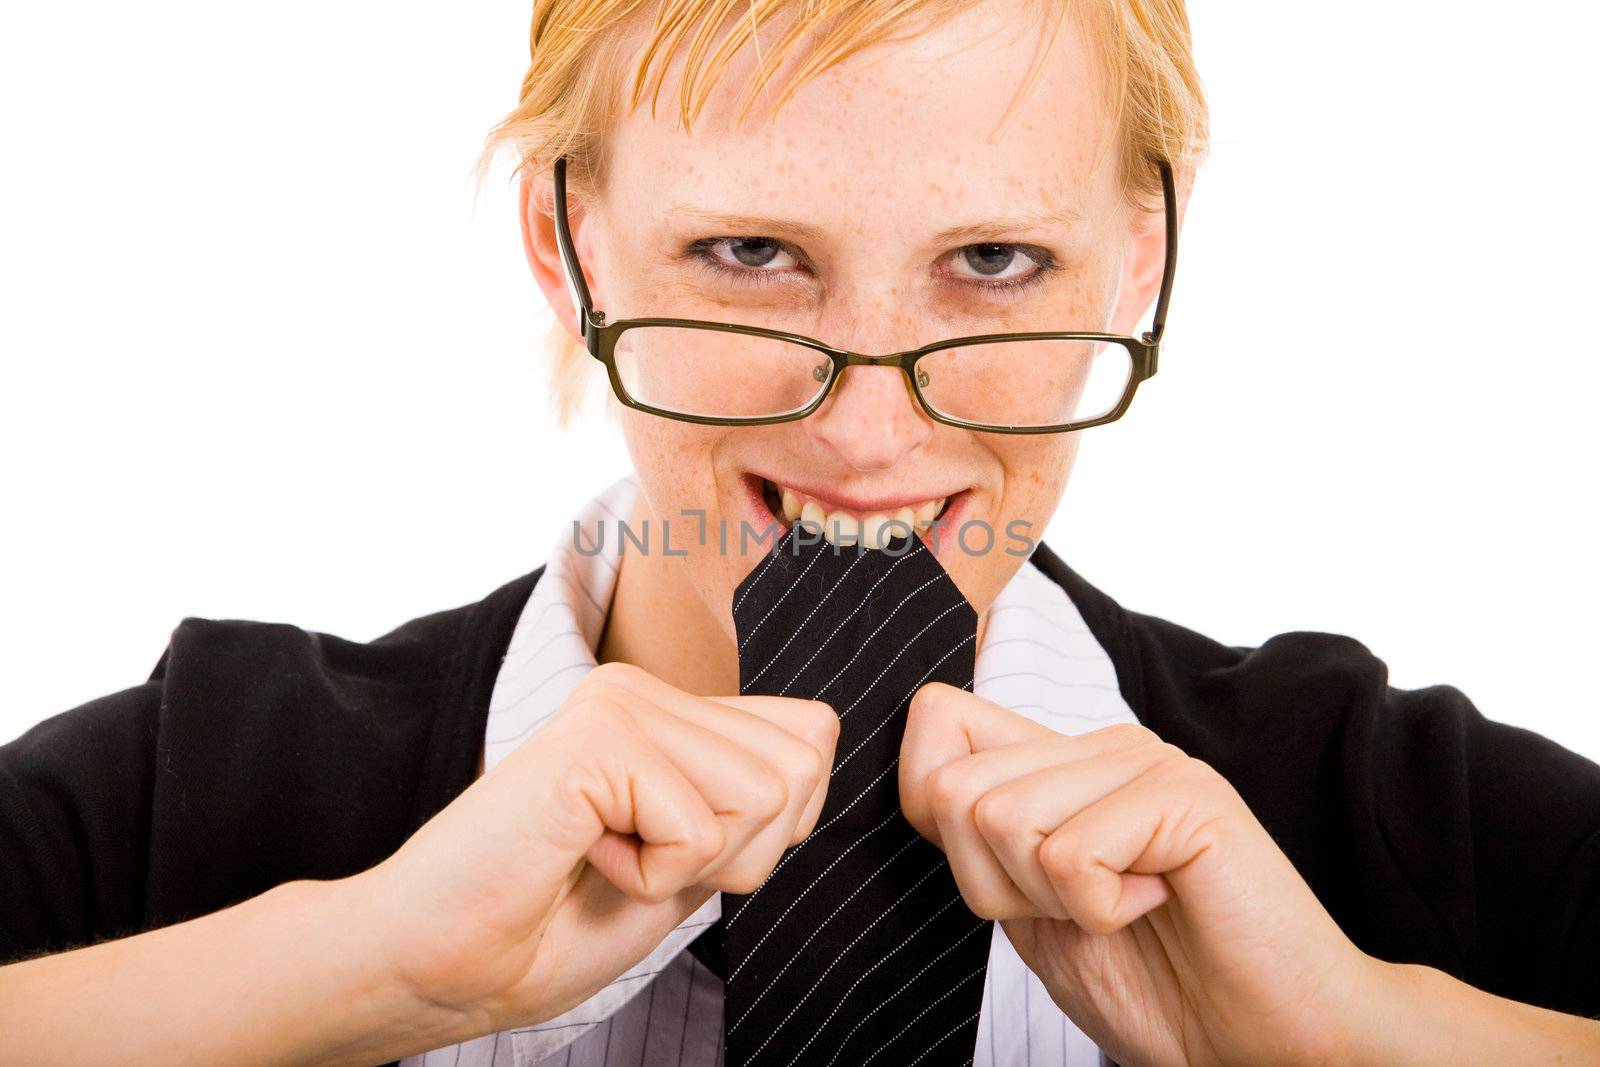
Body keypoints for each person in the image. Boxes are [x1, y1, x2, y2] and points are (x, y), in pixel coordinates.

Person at [1, 1, 1597, 1065]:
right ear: (567, 244)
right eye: (752, 251)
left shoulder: (1402, 825)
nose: (870, 428)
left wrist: (1356, 1036)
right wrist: (367, 971)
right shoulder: (183, 800)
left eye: (993, 263)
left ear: (1134, 262)